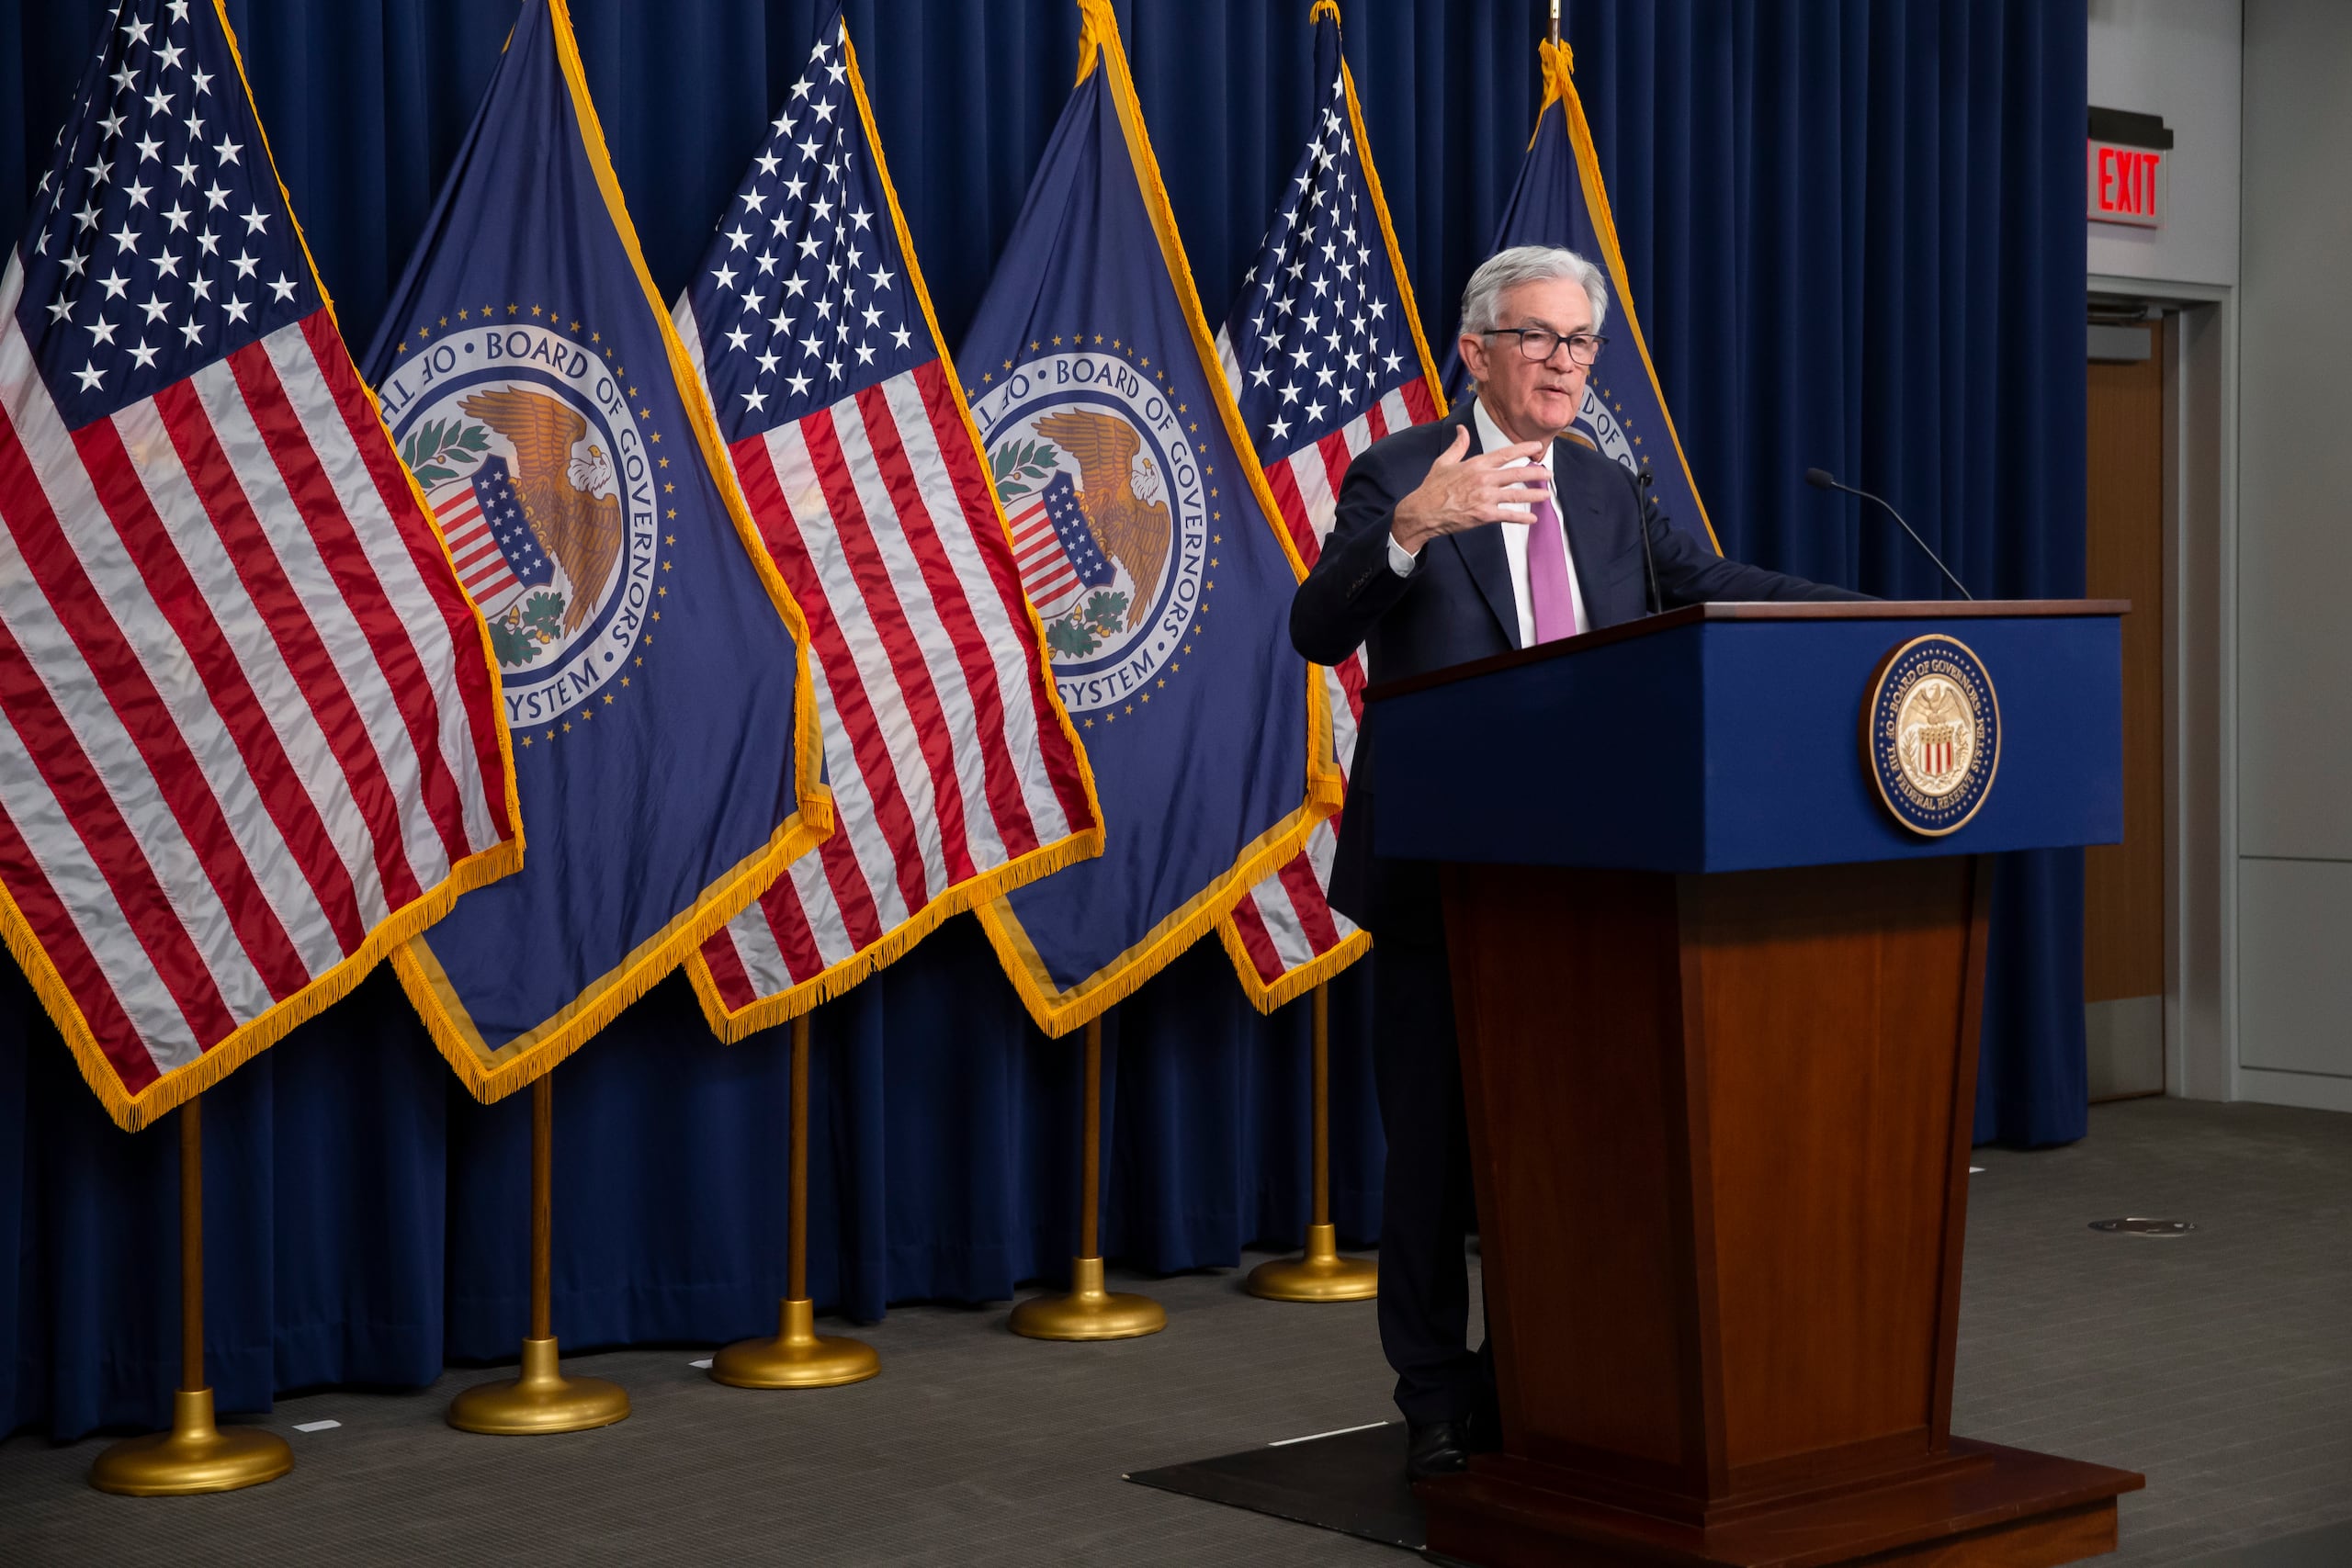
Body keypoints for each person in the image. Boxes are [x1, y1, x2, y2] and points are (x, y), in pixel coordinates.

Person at [1290, 244, 1865, 1482]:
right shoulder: (1399, 472)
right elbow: (1314, 623)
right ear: (1477, 349)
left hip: (1589, 870)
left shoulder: (1604, 489)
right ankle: (1436, 1399)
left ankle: (1540, 1375)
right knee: (1437, 1153)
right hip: (1447, 874)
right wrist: (1407, 533)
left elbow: (1698, 584)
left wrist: (1847, 611)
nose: (1564, 364)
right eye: (1540, 339)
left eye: (1581, 344)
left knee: (1561, 1145)